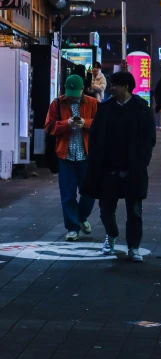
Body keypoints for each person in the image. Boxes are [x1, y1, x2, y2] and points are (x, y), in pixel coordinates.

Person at [84, 71, 156, 262]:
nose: (111, 88)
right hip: (108, 169)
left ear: (125, 86)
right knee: (106, 209)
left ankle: (134, 247)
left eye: (114, 84)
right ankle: (112, 234)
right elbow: (95, 137)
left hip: (134, 169)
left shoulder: (141, 109)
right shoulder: (105, 108)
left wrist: (142, 162)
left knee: (134, 210)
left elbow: (149, 139)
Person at [44, 74, 98, 241]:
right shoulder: (57, 103)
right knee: (67, 195)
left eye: (76, 93)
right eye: (70, 93)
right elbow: (49, 127)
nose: (72, 96)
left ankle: (81, 217)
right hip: (65, 156)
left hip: (86, 156)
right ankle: (72, 227)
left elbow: (102, 125)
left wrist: (86, 123)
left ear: (83, 90)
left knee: (89, 192)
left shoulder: (93, 103)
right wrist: (66, 123)